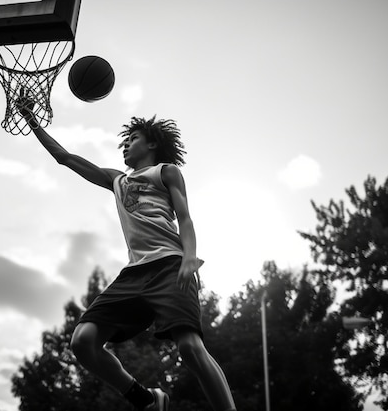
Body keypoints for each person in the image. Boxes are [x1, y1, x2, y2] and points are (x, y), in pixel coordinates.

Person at [17, 99, 236, 411]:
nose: (125, 145)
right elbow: (64, 157)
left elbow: (185, 218)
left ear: (152, 143)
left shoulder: (166, 172)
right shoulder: (116, 180)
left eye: (132, 139)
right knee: (83, 341)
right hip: (134, 275)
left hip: (170, 266)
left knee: (189, 347)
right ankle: (146, 401)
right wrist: (31, 120)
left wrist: (190, 256)